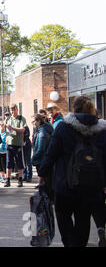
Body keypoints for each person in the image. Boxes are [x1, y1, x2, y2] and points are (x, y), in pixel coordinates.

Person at [38, 95, 106, 247]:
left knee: (64, 218)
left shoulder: (63, 127)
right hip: (91, 186)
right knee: (83, 220)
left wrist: (42, 174)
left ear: (74, 109)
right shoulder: (102, 130)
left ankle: (70, 243)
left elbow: (51, 153)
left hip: (65, 185)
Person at [4, 103, 27, 188]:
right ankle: (8, 180)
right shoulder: (8, 119)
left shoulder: (21, 119)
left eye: (14, 109)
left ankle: (20, 179)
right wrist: (3, 126)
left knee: (20, 162)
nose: (12, 111)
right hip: (9, 143)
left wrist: (12, 128)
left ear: (17, 109)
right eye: (11, 109)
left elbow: (22, 130)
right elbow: (3, 131)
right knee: (8, 163)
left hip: (18, 144)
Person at [31, 114, 53, 190]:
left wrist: (33, 158)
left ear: (39, 121)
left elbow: (41, 149)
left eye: (33, 121)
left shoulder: (42, 133)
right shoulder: (41, 130)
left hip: (41, 160)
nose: (32, 123)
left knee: (45, 182)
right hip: (43, 159)